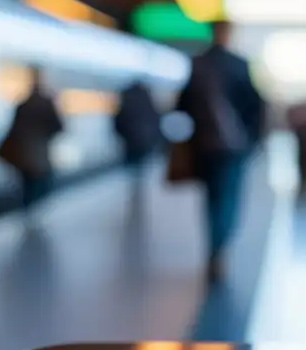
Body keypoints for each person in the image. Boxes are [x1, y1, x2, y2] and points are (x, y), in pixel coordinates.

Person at [174, 20, 265, 280]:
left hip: (204, 146)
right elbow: (255, 106)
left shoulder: (197, 64)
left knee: (211, 199)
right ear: (228, 34)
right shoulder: (239, 64)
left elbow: (182, 106)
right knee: (230, 199)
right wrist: (252, 140)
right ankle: (220, 249)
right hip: (235, 147)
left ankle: (212, 248)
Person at [0, 71, 63, 219]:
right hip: (40, 153)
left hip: (23, 155)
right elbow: (59, 127)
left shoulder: (22, 105)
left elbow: (13, 130)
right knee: (41, 185)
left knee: (27, 187)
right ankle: (37, 217)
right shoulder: (47, 103)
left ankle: (29, 215)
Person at [114, 80, 164, 212]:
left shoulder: (126, 99)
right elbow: (156, 122)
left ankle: (134, 194)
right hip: (144, 144)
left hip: (130, 144)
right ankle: (139, 194)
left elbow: (117, 123)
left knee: (133, 172)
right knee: (141, 172)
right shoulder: (147, 100)